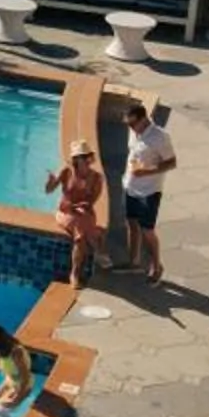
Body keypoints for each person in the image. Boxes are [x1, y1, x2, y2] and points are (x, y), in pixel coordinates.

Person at [118, 103, 178, 282]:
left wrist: (147, 171)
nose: (129, 127)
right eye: (127, 123)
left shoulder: (160, 137)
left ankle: (156, 266)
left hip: (149, 191)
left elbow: (172, 163)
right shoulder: (133, 131)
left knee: (147, 231)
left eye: (132, 123)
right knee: (131, 224)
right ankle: (133, 262)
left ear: (143, 119)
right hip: (130, 186)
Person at [43, 138, 105, 285]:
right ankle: (78, 270)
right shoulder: (66, 171)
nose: (82, 159)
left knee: (81, 224)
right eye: (79, 157)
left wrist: (81, 205)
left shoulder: (96, 178)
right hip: (66, 212)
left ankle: (76, 272)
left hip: (84, 212)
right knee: (81, 231)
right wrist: (50, 182)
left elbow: (91, 203)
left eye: (85, 156)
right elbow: (49, 191)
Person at [0, 323, 35, 411]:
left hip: (23, 384)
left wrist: (18, 395)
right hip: (10, 380)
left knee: (1, 408)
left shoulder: (16, 353)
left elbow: (25, 376)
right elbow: (0, 363)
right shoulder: (0, 351)